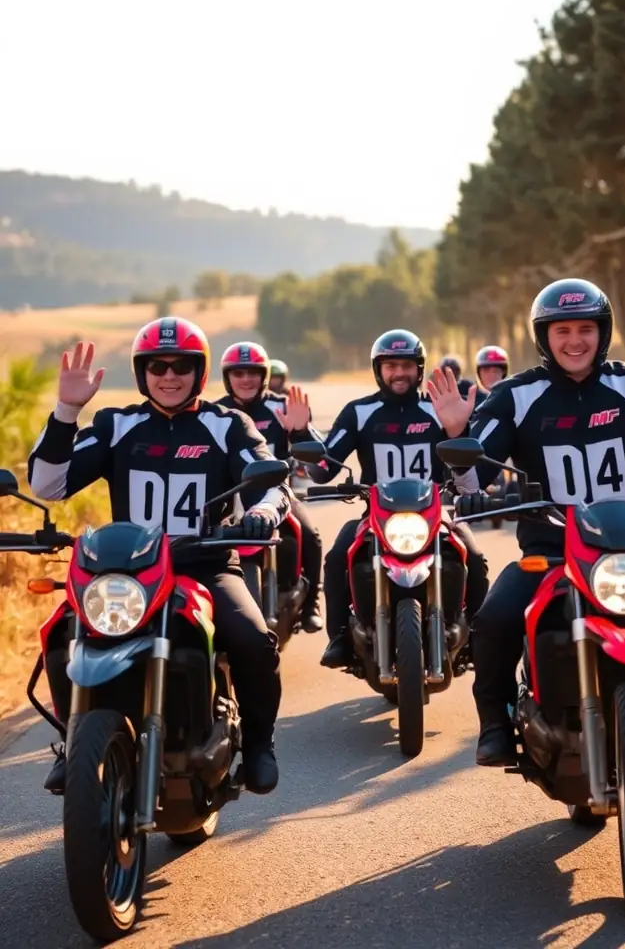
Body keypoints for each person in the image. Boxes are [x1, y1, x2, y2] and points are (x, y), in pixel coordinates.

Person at [428, 280, 625, 767]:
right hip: (550, 554)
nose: (574, 340)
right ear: (543, 336)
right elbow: (476, 481)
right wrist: (455, 433)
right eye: (562, 330)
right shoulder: (516, 395)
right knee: (493, 619)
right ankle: (494, 721)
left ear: (603, 332)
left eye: (585, 329)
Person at [28, 318, 290, 796]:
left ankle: (258, 744)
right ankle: (76, 741)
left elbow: (270, 484)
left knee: (254, 640)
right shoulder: (115, 423)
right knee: (64, 633)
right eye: (156, 366)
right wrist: (67, 410)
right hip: (131, 572)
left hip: (205, 565)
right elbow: (48, 485)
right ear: (141, 372)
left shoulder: (227, 423)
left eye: (181, 366)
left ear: (201, 371)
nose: (168, 376)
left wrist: (263, 514)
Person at [309, 329, 490, 668]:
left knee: (475, 559)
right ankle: (339, 638)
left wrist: (457, 430)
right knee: (336, 557)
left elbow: (468, 471)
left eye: (406, 365)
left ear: (419, 369)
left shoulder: (438, 409)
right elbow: (324, 468)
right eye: (390, 365)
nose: (398, 373)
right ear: (378, 370)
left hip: (436, 515)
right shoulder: (358, 412)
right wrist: (306, 447)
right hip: (374, 518)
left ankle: (478, 637)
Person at [217, 341, 323, 632]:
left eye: (253, 372)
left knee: (311, 535)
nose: (246, 379)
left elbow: (320, 461)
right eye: (238, 373)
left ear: (264, 375)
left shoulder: (282, 406)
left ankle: (311, 603)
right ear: (227, 378)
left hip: (279, 495)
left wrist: (300, 430)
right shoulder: (215, 413)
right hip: (232, 498)